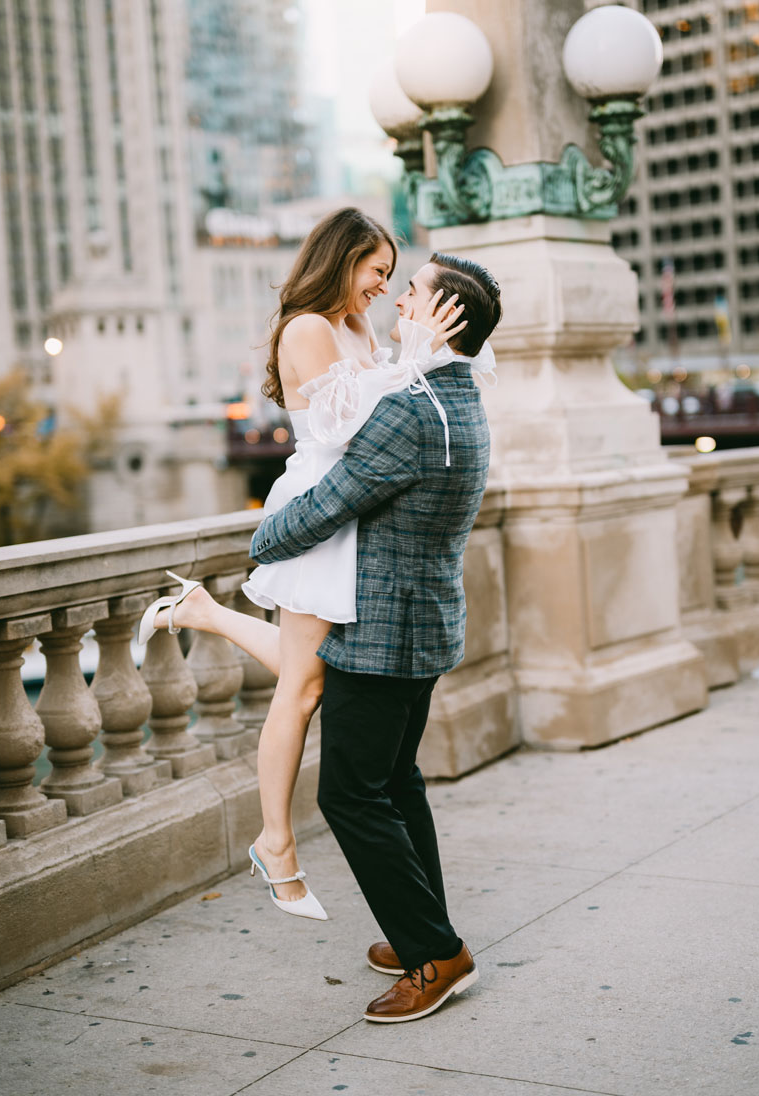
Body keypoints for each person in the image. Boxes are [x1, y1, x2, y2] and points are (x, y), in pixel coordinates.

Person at [138, 207, 470, 921]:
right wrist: (413, 358)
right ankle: (276, 843)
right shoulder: (308, 328)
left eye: (388, 275)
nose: (383, 286)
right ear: (343, 260)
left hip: (354, 514)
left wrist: (412, 357)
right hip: (320, 504)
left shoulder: (357, 325)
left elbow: (390, 414)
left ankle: (204, 613)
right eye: (377, 271)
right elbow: (349, 427)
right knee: (304, 689)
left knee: (308, 673)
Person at [249, 250, 502, 1023]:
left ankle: (436, 957)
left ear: (446, 316)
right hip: (424, 621)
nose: (399, 300)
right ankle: (419, 929)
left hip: (381, 633)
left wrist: (264, 538)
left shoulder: (411, 409)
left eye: (415, 291)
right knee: (396, 783)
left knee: (350, 794)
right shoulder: (459, 395)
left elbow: (328, 503)